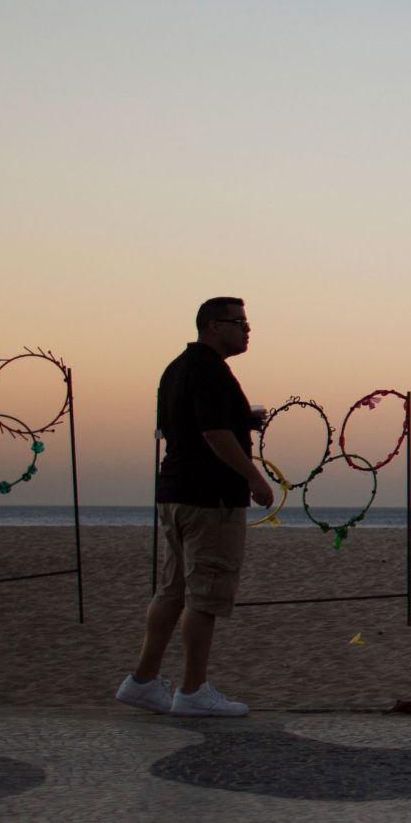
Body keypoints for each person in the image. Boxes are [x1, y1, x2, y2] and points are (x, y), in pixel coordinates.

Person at [123, 297, 273, 718]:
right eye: (238, 322)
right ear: (212, 326)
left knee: (172, 590)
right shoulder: (210, 371)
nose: (247, 329)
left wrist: (244, 419)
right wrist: (254, 478)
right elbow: (213, 433)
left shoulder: (177, 369)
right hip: (210, 499)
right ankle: (192, 690)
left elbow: (186, 426)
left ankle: (143, 681)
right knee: (205, 594)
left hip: (175, 492)